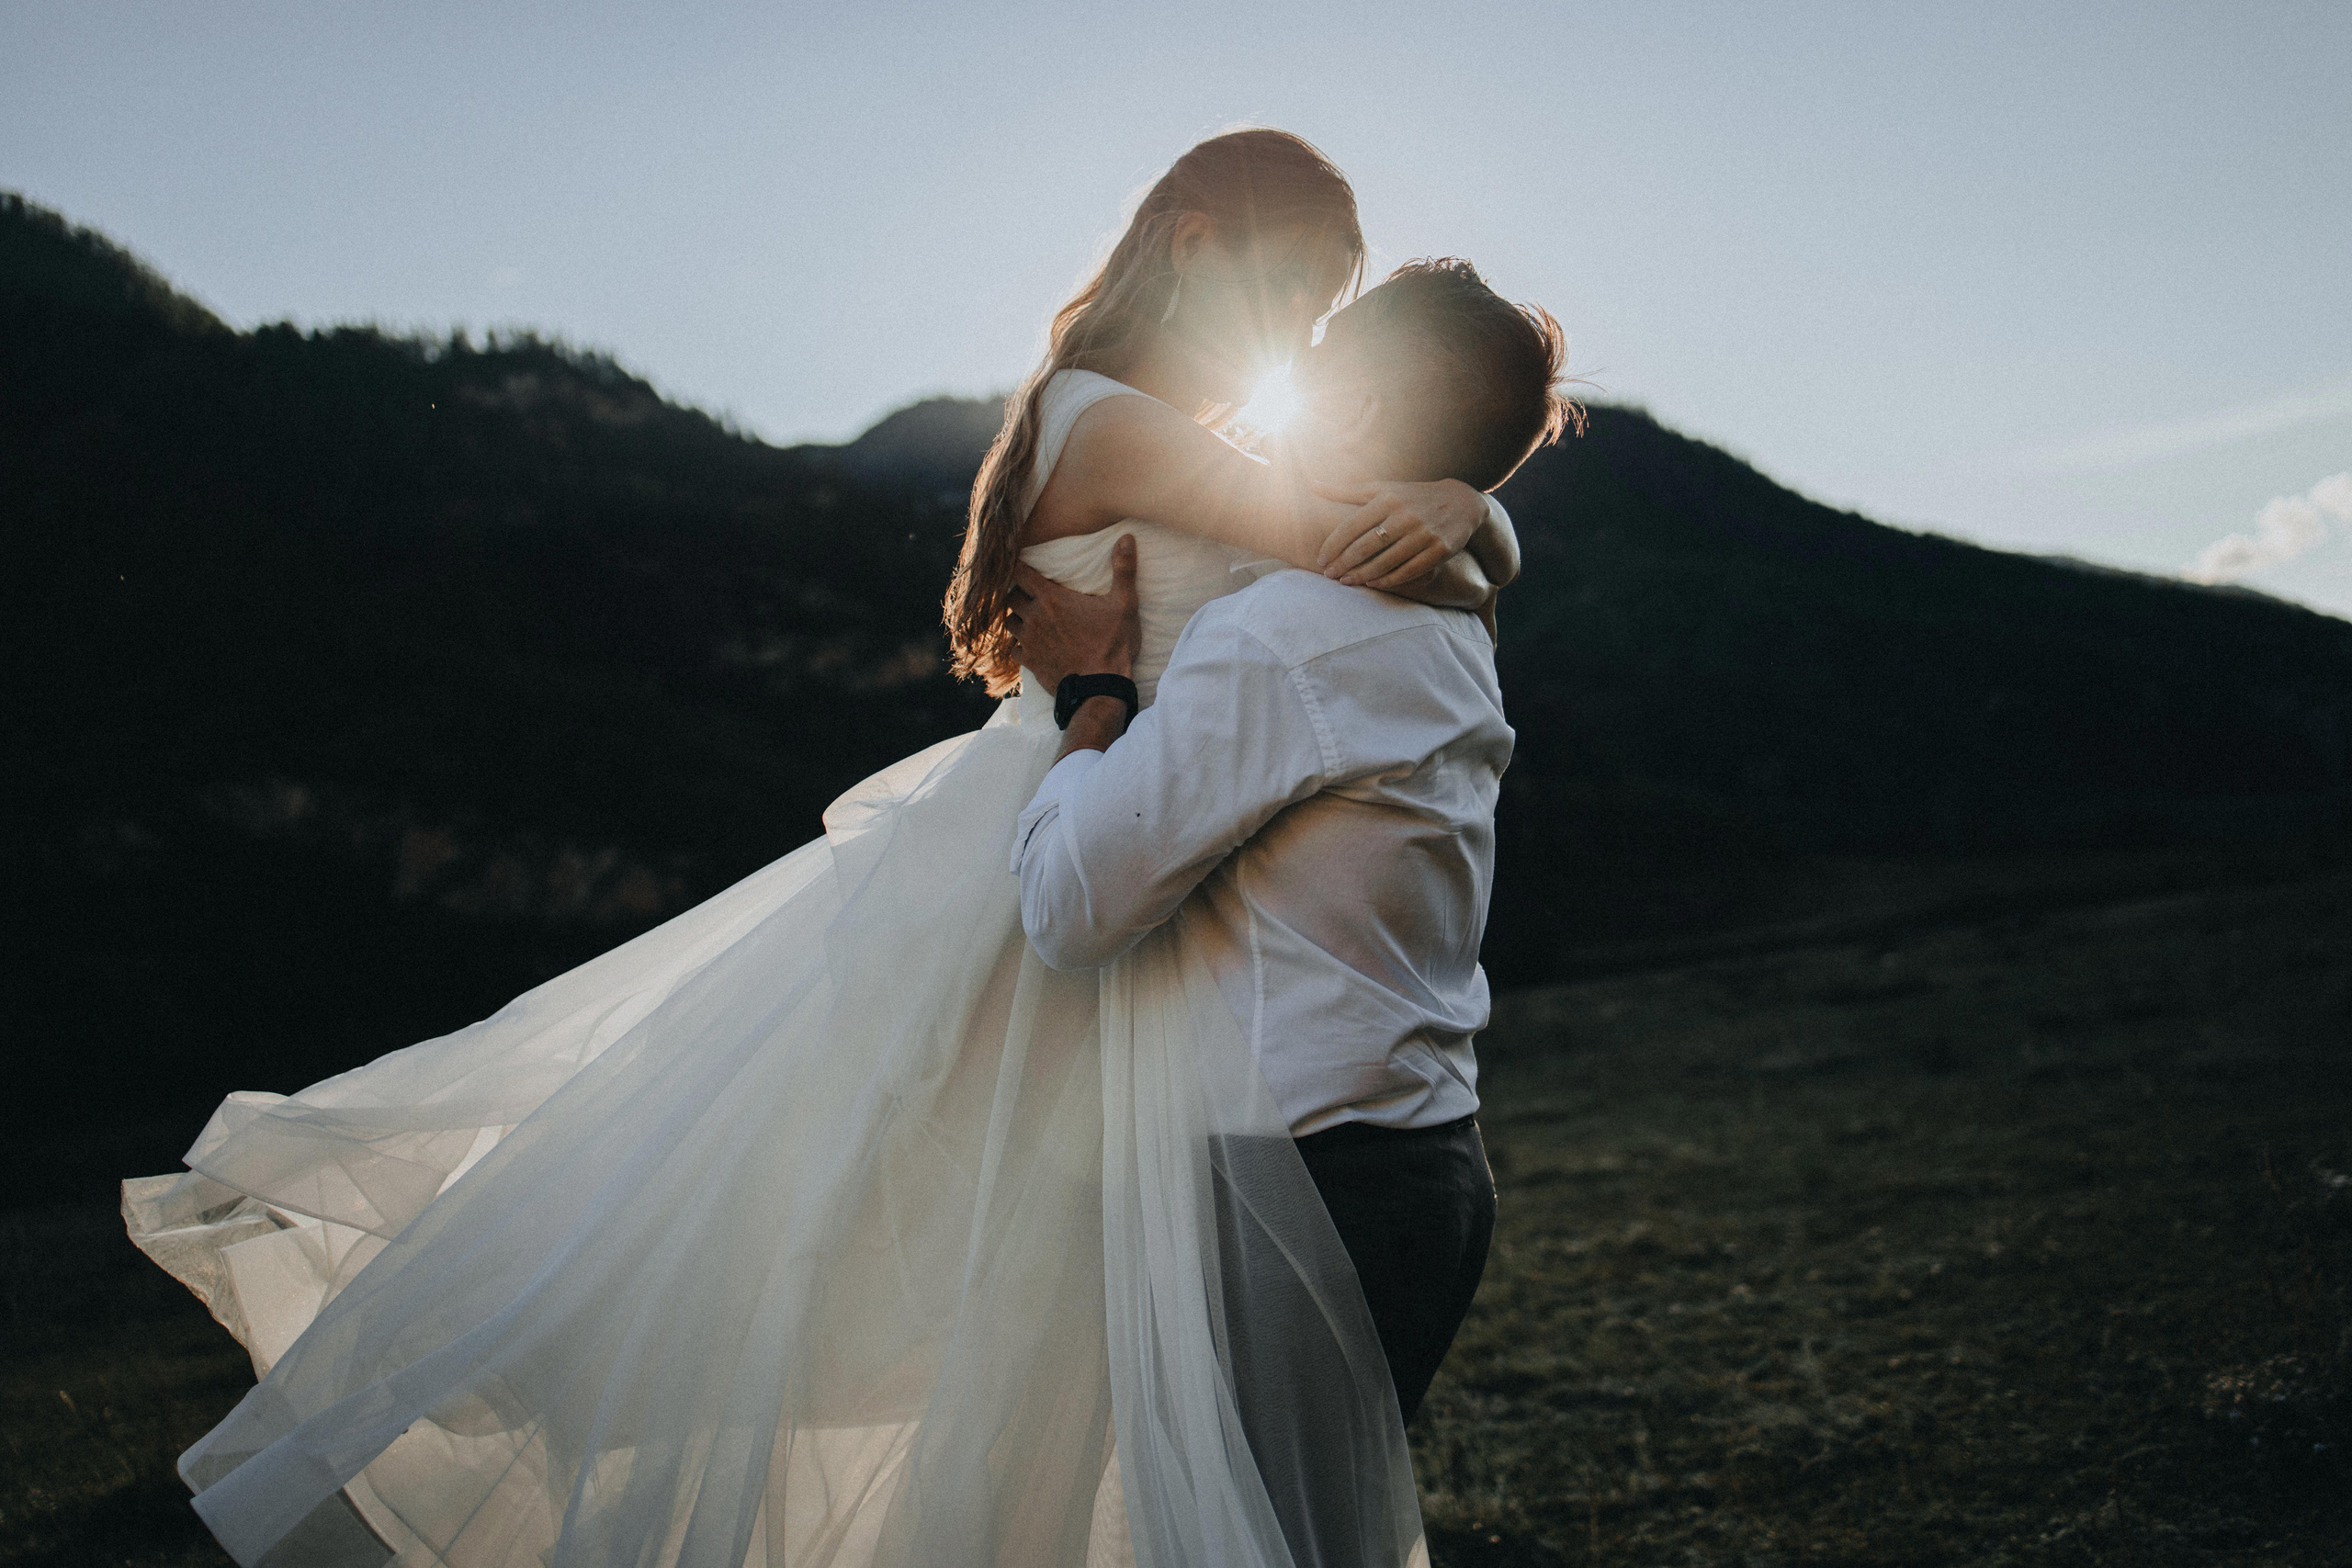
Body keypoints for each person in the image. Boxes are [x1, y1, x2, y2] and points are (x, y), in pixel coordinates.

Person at [121, 130, 1530, 1568]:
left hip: (1113, 860)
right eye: (1294, 281)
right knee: (893, 1305)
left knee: (1046, 1364)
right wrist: (1475, 510)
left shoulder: (1154, 432)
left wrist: (1467, 512)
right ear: (1194, 244)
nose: (1298, 327)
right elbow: (1360, 543)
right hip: (1051, 872)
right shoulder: (1109, 426)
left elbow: (1359, 558)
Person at [1008, 256, 1576, 1559]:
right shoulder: (1448, 621)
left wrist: (1090, 700)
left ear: (1367, 410)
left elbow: (1066, 906)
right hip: (1432, 1168)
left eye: (1326, 364)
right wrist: (1477, 517)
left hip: (1298, 1194)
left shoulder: (1286, 637)